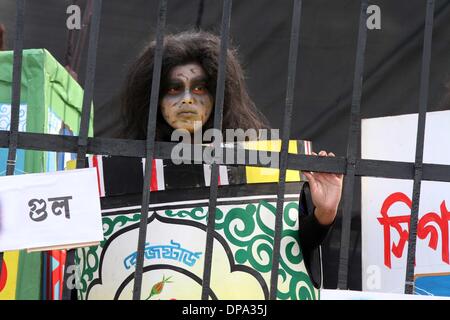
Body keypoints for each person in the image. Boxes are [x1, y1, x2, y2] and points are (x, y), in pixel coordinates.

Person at [121, 30, 343, 281]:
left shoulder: (257, 162)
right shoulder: (125, 168)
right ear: (155, 98)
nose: (187, 99)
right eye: (174, 88)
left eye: (200, 88)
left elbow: (289, 251)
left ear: (218, 95)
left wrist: (325, 212)